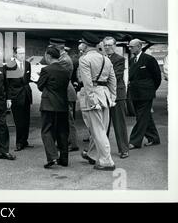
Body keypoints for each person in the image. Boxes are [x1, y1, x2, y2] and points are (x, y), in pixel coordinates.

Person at [78, 32, 117, 171]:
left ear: (86, 44)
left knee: (97, 131)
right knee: (102, 129)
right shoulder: (106, 59)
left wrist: (92, 100)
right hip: (105, 96)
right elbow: (113, 81)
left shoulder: (84, 59)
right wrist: (112, 98)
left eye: (82, 42)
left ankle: (107, 161)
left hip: (93, 96)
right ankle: (94, 155)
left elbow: (88, 83)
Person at [37, 47, 70, 168]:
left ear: (48, 56)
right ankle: (64, 159)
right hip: (62, 104)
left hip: (48, 104)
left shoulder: (46, 69)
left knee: (46, 131)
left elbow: (40, 86)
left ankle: (52, 157)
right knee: (62, 131)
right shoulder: (66, 70)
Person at [127, 39, 162, 149]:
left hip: (146, 93)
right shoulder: (132, 60)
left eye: (132, 46)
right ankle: (154, 138)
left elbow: (157, 77)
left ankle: (134, 141)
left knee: (141, 117)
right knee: (144, 116)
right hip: (135, 94)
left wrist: (150, 90)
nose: (130, 48)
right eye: (129, 46)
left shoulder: (149, 59)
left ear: (139, 47)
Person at [49, 38, 79, 152]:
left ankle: (73, 144)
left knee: (69, 120)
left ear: (57, 48)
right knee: (65, 119)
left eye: (52, 47)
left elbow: (56, 74)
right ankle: (68, 141)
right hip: (65, 91)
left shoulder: (64, 60)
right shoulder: (63, 58)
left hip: (66, 92)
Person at [103, 36, 130, 159]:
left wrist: (99, 79)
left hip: (117, 95)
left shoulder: (119, 59)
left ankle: (124, 149)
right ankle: (103, 150)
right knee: (103, 124)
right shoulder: (101, 59)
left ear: (114, 46)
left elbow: (117, 75)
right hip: (104, 94)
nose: (107, 47)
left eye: (110, 45)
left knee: (119, 123)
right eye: (106, 45)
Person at [6, 46, 33, 151]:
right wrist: (8, 98)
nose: (22, 55)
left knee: (26, 119)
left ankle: (25, 141)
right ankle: (19, 142)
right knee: (18, 120)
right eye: (20, 53)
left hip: (26, 95)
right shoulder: (10, 65)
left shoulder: (27, 64)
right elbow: (7, 84)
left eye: (23, 53)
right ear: (15, 54)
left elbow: (27, 79)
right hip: (15, 96)